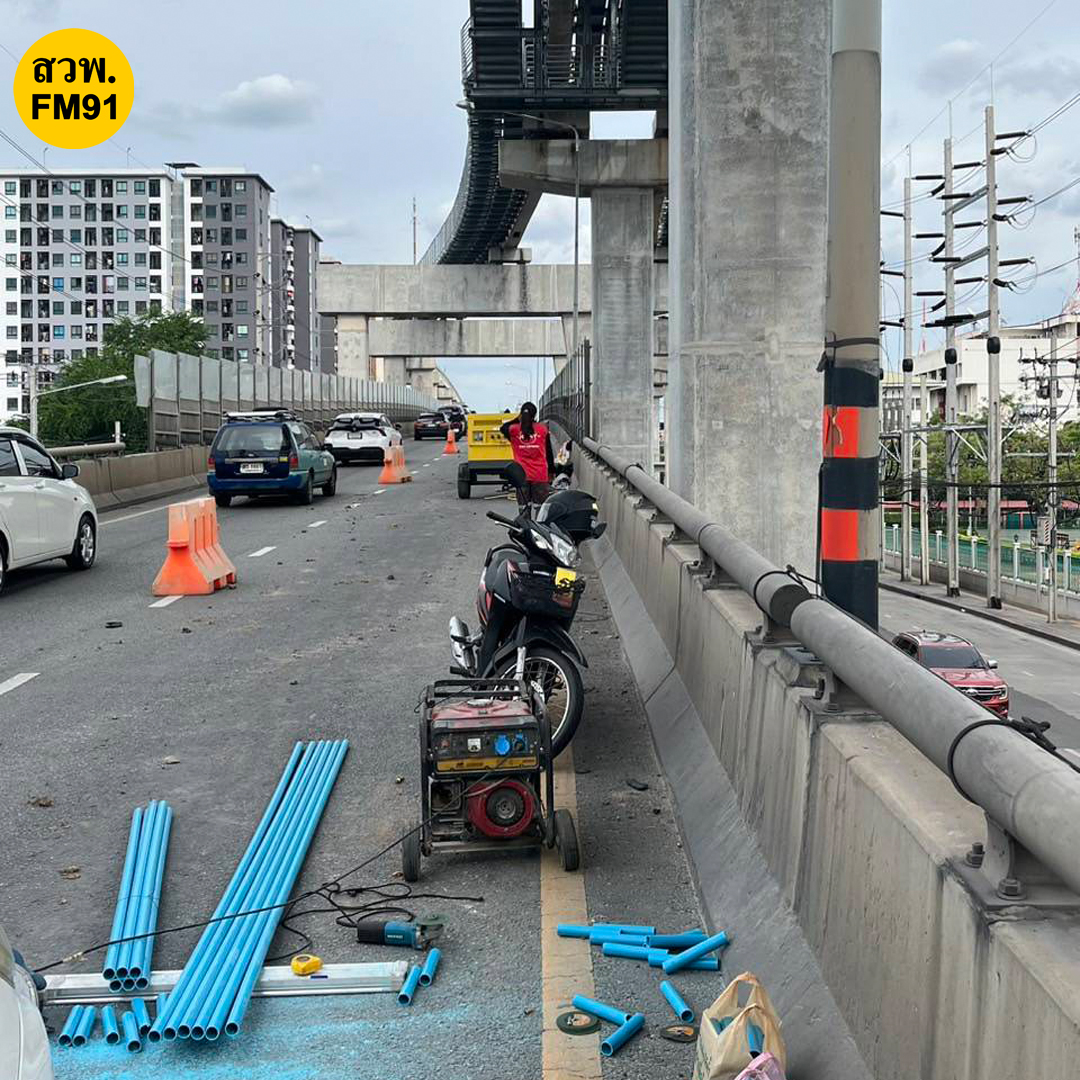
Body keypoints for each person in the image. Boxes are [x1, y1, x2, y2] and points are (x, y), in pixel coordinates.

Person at [500, 402, 556, 509]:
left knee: (524, 508)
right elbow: (549, 452)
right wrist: (552, 471)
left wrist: (519, 418)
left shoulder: (514, 430)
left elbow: (503, 428)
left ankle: (525, 520)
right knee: (540, 508)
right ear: (534, 415)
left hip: (521, 475)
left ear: (521, 414)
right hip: (539, 474)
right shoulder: (542, 429)